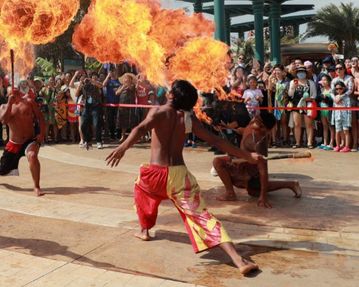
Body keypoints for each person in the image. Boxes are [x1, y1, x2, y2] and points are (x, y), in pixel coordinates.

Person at [105, 80, 260, 275]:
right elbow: (216, 140)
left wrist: (122, 147)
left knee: (142, 190)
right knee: (203, 217)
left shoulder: (158, 112)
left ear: (172, 95)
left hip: (154, 175)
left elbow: (140, 129)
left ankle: (144, 230)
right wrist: (247, 156)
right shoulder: (188, 120)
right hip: (180, 178)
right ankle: (238, 260)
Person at [213, 112, 302, 208]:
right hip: (241, 164)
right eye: (256, 117)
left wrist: (263, 196)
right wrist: (233, 129)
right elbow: (246, 131)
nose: (253, 120)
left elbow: (263, 170)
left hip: (250, 171)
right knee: (218, 162)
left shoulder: (259, 143)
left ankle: (230, 193)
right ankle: (291, 184)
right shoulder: (251, 126)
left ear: (263, 128)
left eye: (258, 121)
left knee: (254, 188)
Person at [0, 87, 45, 197]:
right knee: (4, 169)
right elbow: (4, 121)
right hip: (14, 143)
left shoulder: (29, 102)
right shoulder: (4, 107)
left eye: (17, 93)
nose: (16, 96)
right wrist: (10, 103)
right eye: (12, 94)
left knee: (32, 156)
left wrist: (41, 133)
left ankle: (36, 186)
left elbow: (40, 118)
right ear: (7, 96)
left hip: (30, 139)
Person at [288, 66, 317, 149]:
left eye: (302, 72)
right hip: (296, 104)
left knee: (309, 124)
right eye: (299, 72)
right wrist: (293, 87)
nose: (301, 73)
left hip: (308, 105)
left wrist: (310, 98)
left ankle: (309, 142)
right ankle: (297, 142)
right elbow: (290, 94)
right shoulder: (293, 82)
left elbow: (314, 94)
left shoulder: (310, 82)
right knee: (297, 124)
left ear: (306, 73)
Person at [77, 73, 104, 149]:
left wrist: (93, 81)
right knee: (83, 125)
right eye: (83, 79)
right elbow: (76, 94)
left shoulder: (95, 85)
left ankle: (99, 141)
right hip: (86, 107)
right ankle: (88, 140)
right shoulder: (83, 86)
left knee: (96, 124)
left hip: (95, 106)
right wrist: (80, 84)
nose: (85, 80)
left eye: (85, 79)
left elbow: (101, 86)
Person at [269, 64, 289, 146]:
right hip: (274, 104)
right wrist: (270, 80)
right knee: (274, 123)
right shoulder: (273, 80)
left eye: (278, 70)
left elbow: (288, 92)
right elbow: (269, 90)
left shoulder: (287, 80)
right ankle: (273, 140)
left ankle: (285, 140)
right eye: (275, 70)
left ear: (282, 71)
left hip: (284, 104)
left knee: (284, 122)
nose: (277, 72)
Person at [116, 72, 137, 143]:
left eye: (127, 78)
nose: (126, 79)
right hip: (122, 106)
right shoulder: (121, 86)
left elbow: (132, 89)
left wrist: (128, 84)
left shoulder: (133, 85)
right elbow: (117, 93)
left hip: (131, 105)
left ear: (130, 79)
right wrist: (122, 88)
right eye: (125, 78)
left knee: (132, 121)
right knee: (123, 121)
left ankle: (132, 137)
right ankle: (123, 136)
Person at [331, 81, 352, 152]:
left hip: (345, 117)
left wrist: (349, 119)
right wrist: (332, 119)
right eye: (336, 89)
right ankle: (337, 145)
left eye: (340, 88)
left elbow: (349, 109)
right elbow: (333, 109)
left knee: (346, 131)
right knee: (337, 132)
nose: (338, 90)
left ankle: (347, 146)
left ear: (344, 88)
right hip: (337, 117)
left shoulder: (347, 98)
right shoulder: (335, 97)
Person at [317, 74, 335, 150]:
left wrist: (326, 98)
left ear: (329, 81)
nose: (323, 82)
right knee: (324, 126)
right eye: (322, 80)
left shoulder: (332, 90)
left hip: (329, 109)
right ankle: (325, 142)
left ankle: (331, 143)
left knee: (331, 126)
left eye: (325, 80)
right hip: (322, 109)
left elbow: (332, 100)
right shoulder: (321, 90)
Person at [103, 69, 121, 141]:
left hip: (118, 103)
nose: (112, 73)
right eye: (111, 71)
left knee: (118, 119)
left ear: (116, 72)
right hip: (110, 103)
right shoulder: (108, 81)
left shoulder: (119, 80)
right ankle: (112, 135)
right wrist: (108, 76)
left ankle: (119, 135)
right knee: (110, 120)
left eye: (113, 71)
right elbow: (103, 84)